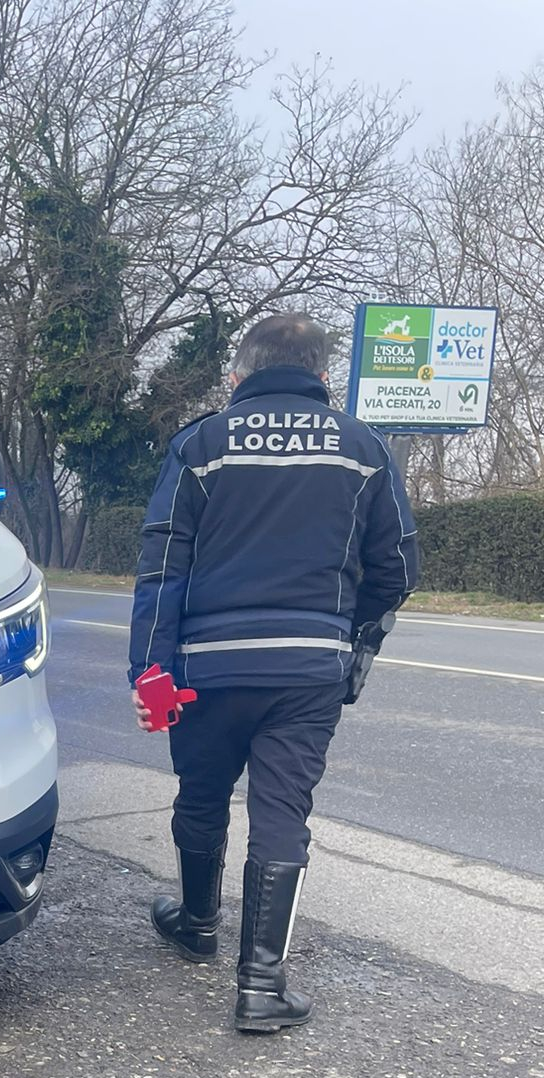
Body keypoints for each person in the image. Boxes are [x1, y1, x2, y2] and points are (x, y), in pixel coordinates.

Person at [128, 312, 418, 1031]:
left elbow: (162, 568)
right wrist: (347, 632)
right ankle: (261, 987)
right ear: (323, 377)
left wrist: (150, 672)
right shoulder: (364, 448)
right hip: (307, 669)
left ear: (239, 376)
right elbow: (396, 568)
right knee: (282, 812)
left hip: (206, 669)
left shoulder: (200, 444)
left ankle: (197, 925)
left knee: (201, 793)